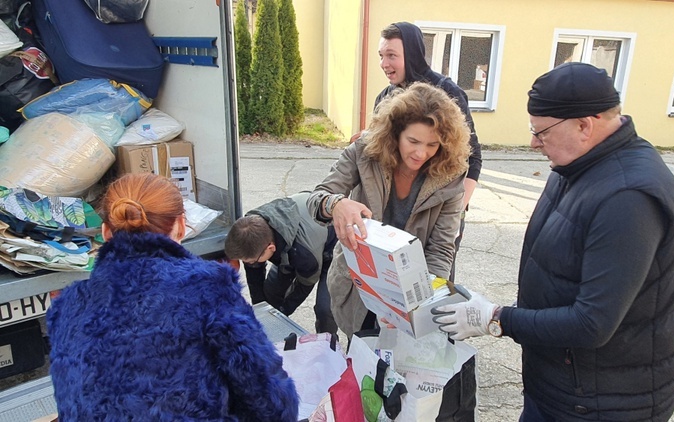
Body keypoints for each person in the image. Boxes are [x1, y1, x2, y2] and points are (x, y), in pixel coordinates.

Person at [432, 62, 674, 422]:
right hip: (562, 387)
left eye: (543, 132)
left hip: (602, 403)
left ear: (585, 125)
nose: (534, 142)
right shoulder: (576, 165)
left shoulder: (628, 197)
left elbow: (592, 323)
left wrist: (496, 319)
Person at [46, 173, 299, 421]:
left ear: (105, 232)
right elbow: (272, 403)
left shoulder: (67, 305)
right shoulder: (207, 287)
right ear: (181, 226)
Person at [307, 82, 470, 338]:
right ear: (394, 133)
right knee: (361, 348)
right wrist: (336, 204)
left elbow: (441, 248)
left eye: (432, 145)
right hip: (358, 284)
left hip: (410, 290)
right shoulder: (364, 152)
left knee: (399, 363)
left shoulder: (451, 174)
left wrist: (419, 307)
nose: (421, 153)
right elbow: (317, 198)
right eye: (413, 141)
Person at [376, 22, 483, 281]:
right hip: (395, 211)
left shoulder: (447, 92)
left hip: (437, 213)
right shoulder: (385, 97)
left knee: (434, 285)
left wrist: (456, 213)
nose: (383, 63)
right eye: (381, 56)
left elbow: (473, 158)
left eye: (392, 55)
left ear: (411, 55)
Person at [224, 192, 338, 335]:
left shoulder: (305, 255)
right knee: (270, 302)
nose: (250, 264)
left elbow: (303, 286)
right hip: (290, 245)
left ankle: (329, 347)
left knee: (325, 309)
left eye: (252, 261)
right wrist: (261, 314)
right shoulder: (251, 229)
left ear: (270, 248)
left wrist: (282, 314)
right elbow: (254, 271)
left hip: (332, 250)